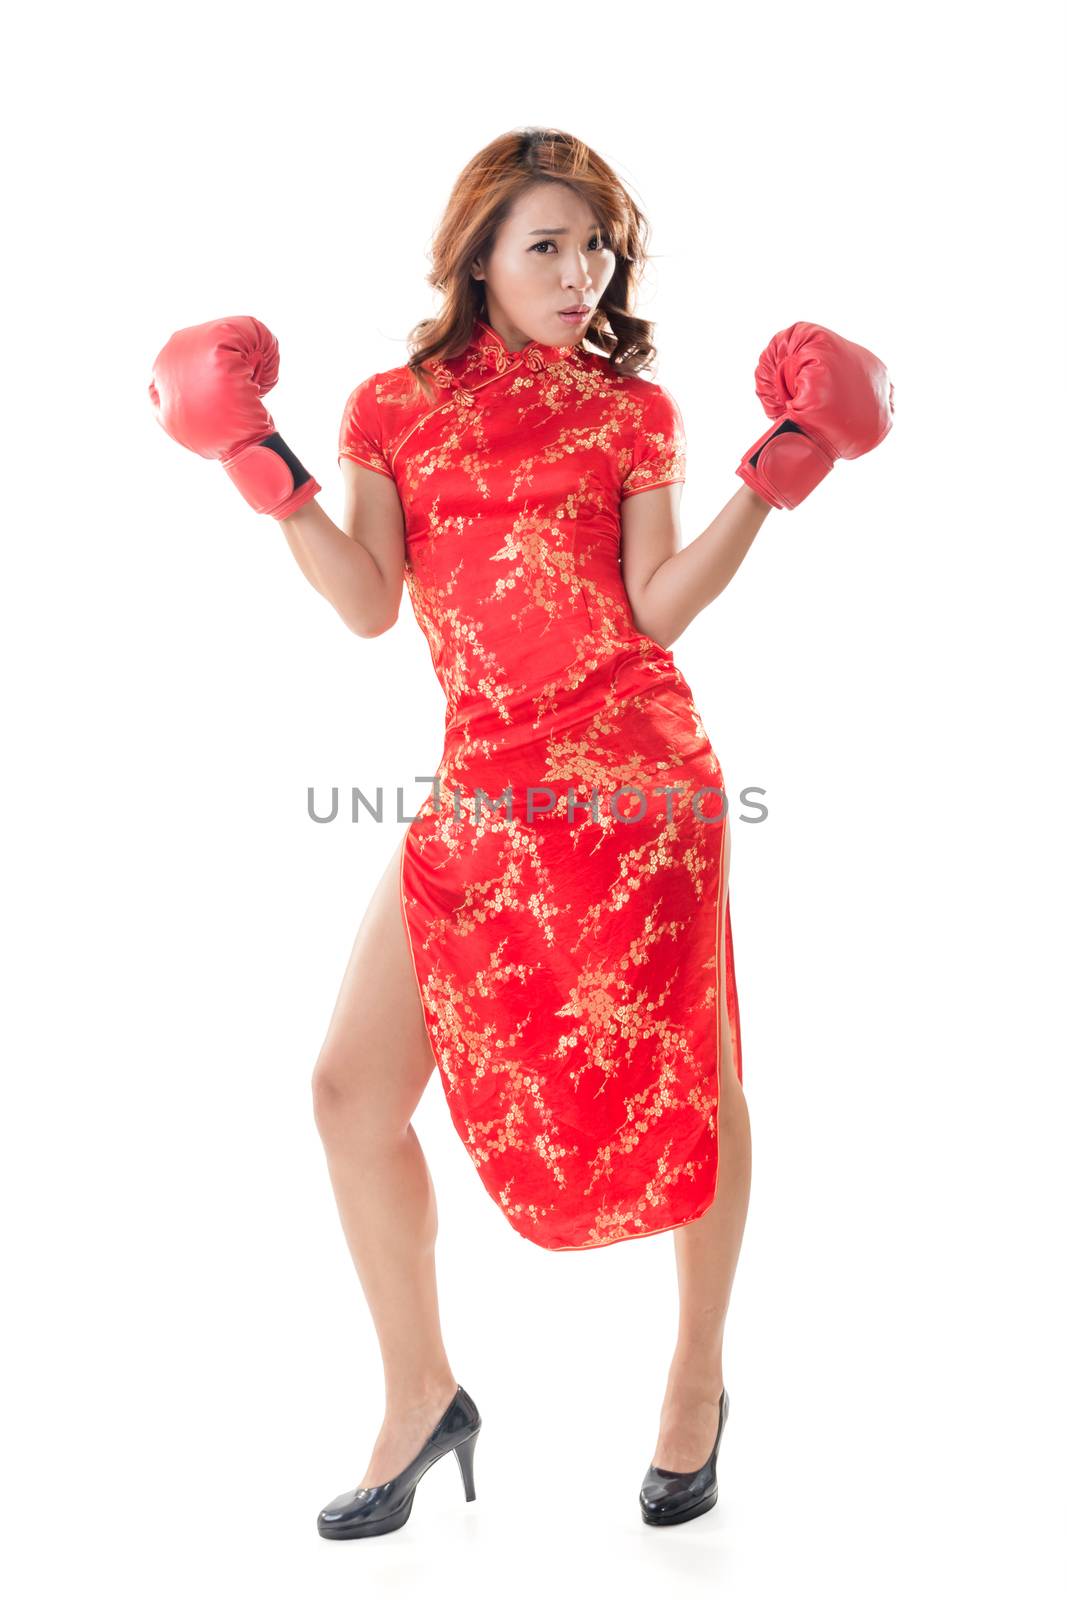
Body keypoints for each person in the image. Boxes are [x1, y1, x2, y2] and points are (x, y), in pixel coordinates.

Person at [148, 126, 893, 1539]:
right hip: (483, 789)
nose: (580, 271)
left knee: (694, 1081)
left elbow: (654, 609)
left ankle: (694, 1384)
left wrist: (780, 475)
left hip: (636, 787)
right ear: (477, 254)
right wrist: (256, 456)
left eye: (597, 246)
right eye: (546, 243)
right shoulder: (391, 407)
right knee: (347, 1092)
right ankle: (421, 1397)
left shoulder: (629, 412)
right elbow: (370, 601)